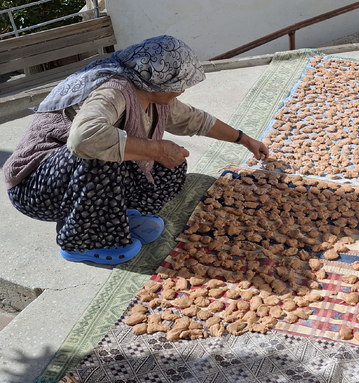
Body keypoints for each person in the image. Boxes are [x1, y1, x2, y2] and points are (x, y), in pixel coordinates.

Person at [3, 35, 269, 265]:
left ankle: (119, 215)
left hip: (77, 182)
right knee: (101, 151)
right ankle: (83, 242)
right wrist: (154, 150)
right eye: (179, 82)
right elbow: (84, 139)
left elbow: (196, 120)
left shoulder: (153, 94)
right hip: (38, 188)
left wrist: (244, 140)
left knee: (173, 162)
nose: (183, 88)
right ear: (159, 79)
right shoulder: (113, 90)